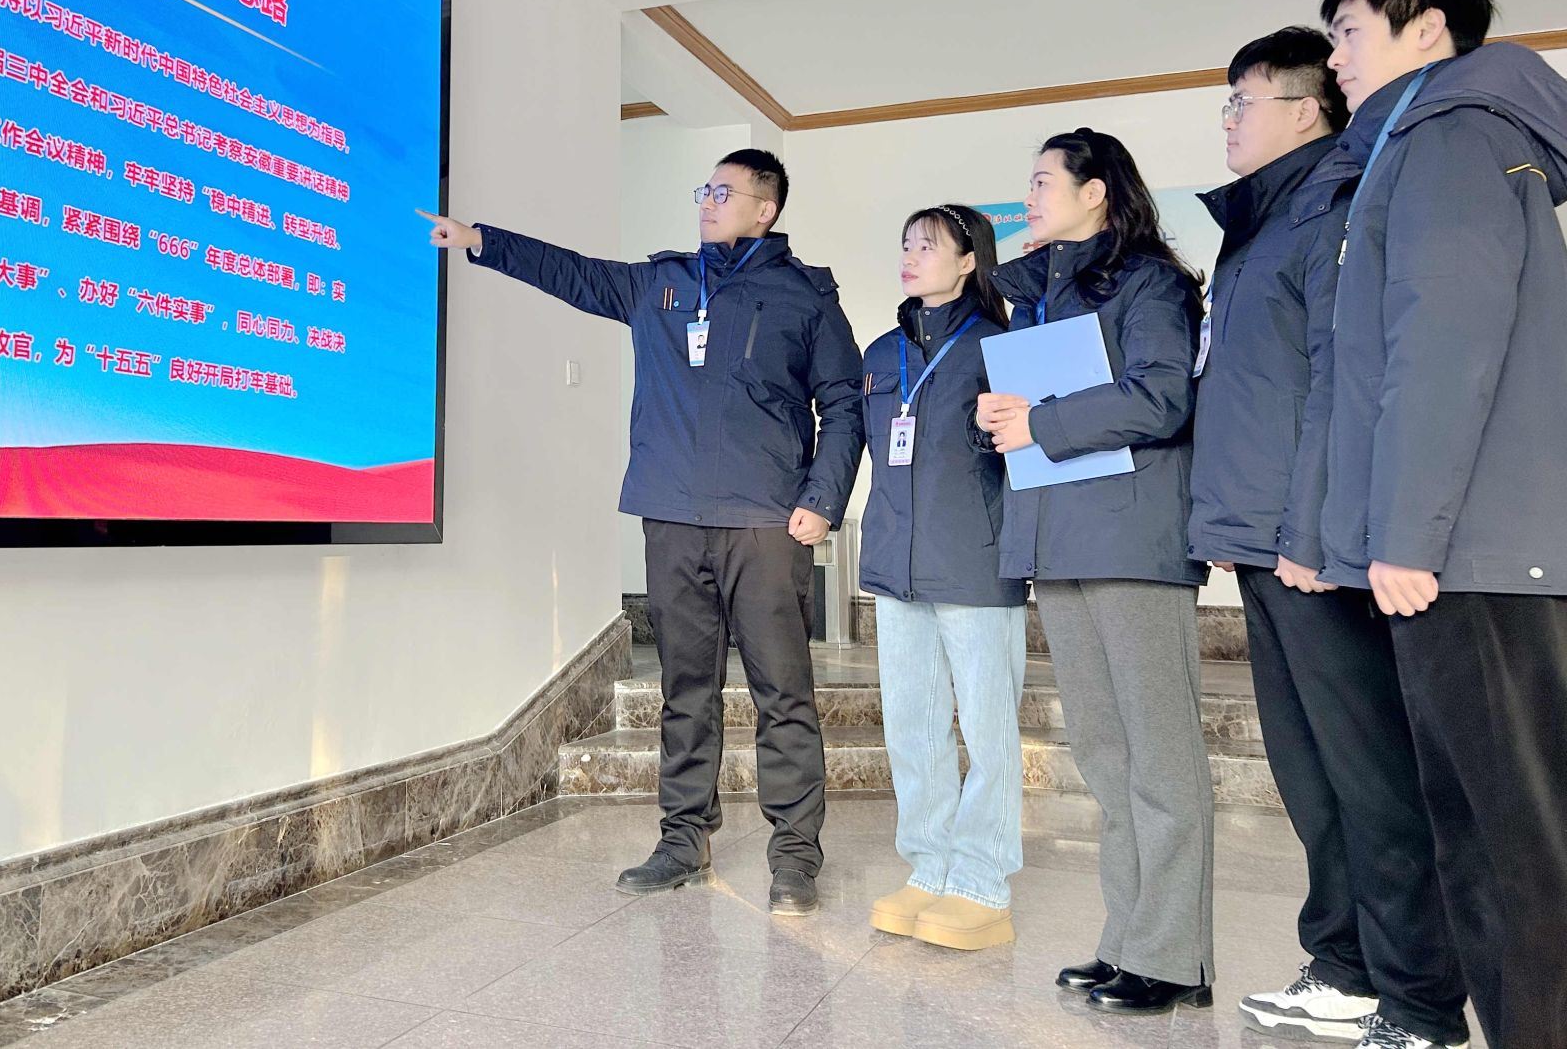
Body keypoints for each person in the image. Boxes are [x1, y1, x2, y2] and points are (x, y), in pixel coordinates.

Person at [418, 149, 863, 917]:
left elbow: (846, 402)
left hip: (764, 522)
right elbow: (576, 275)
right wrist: (481, 239)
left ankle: (794, 854)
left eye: (724, 191)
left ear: (765, 209)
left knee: (782, 694)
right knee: (685, 690)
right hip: (673, 517)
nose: (707, 200)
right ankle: (682, 839)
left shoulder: (804, 296)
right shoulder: (662, 283)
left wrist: (822, 499)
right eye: (704, 188)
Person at [1188, 27, 1469, 1048]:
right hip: (1264, 539)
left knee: (1369, 778)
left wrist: (1305, 531)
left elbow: (1336, 384)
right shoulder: (1258, 224)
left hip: (1311, 545)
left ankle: (1421, 1002)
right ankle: (1344, 969)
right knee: (1311, 778)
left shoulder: (1336, 204)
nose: (1227, 119)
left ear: (1306, 109)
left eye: (1243, 101)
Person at [1314, 0, 1567, 1049]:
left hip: (1469, 548)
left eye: (1348, 32)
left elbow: (1442, 341)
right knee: (1482, 836)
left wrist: (1406, 533)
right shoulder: (1432, 140)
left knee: (1512, 850)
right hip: (1466, 544)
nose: (1334, 57)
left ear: (1425, 31)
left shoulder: (1451, 134)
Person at [974, 128, 1214, 1015]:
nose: (1029, 197)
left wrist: (1040, 421)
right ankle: (1129, 940)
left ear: (1096, 191)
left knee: (1160, 758)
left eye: (1043, 181)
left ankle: (1175, 956)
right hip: (1062, 539)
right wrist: (1005, 419)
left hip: (1132, 540)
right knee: (1108, 759)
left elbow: (1163, 395)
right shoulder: (1041, 297)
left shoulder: (1150, 282)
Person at [859, 205, 1026, 952]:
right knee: (912, 727)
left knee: (988, 729)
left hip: (975, 562)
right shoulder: (881, 352)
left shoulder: (999, 348)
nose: (910, 254)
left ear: (968, 261)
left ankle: (982, 883)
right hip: (897, 565)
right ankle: (929, 868)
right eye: (905, 244)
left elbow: (1025, 454)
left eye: (928, 245)